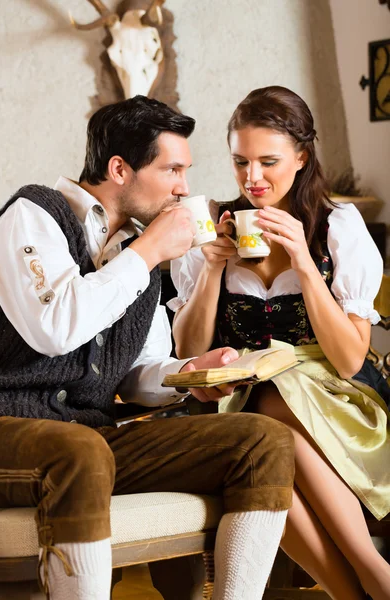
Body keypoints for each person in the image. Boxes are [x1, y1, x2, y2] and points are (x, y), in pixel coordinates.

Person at [0, 95, 295, 600]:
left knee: (262, 442)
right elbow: (55, 328)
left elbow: (138, 371)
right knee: (80, 451)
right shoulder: (32, 214)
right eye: (173, 169)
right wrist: (149, 250)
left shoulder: (140, 251)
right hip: (5, 426)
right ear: (119, 169)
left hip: (86, 439)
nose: (185, 188)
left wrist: (193, 373)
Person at [170, 86, 390, 600]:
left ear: (302, 156)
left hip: (333, 398)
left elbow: (350, 358)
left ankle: (371, 575)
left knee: (270, 403)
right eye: (240, 161)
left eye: (268, 162)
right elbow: (189, 347)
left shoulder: (337, 226)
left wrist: (304, 264)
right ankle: (366, 588)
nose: (252, 178)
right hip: (237, 398)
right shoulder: (212, 227)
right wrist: (212, 267)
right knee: (256, 454)